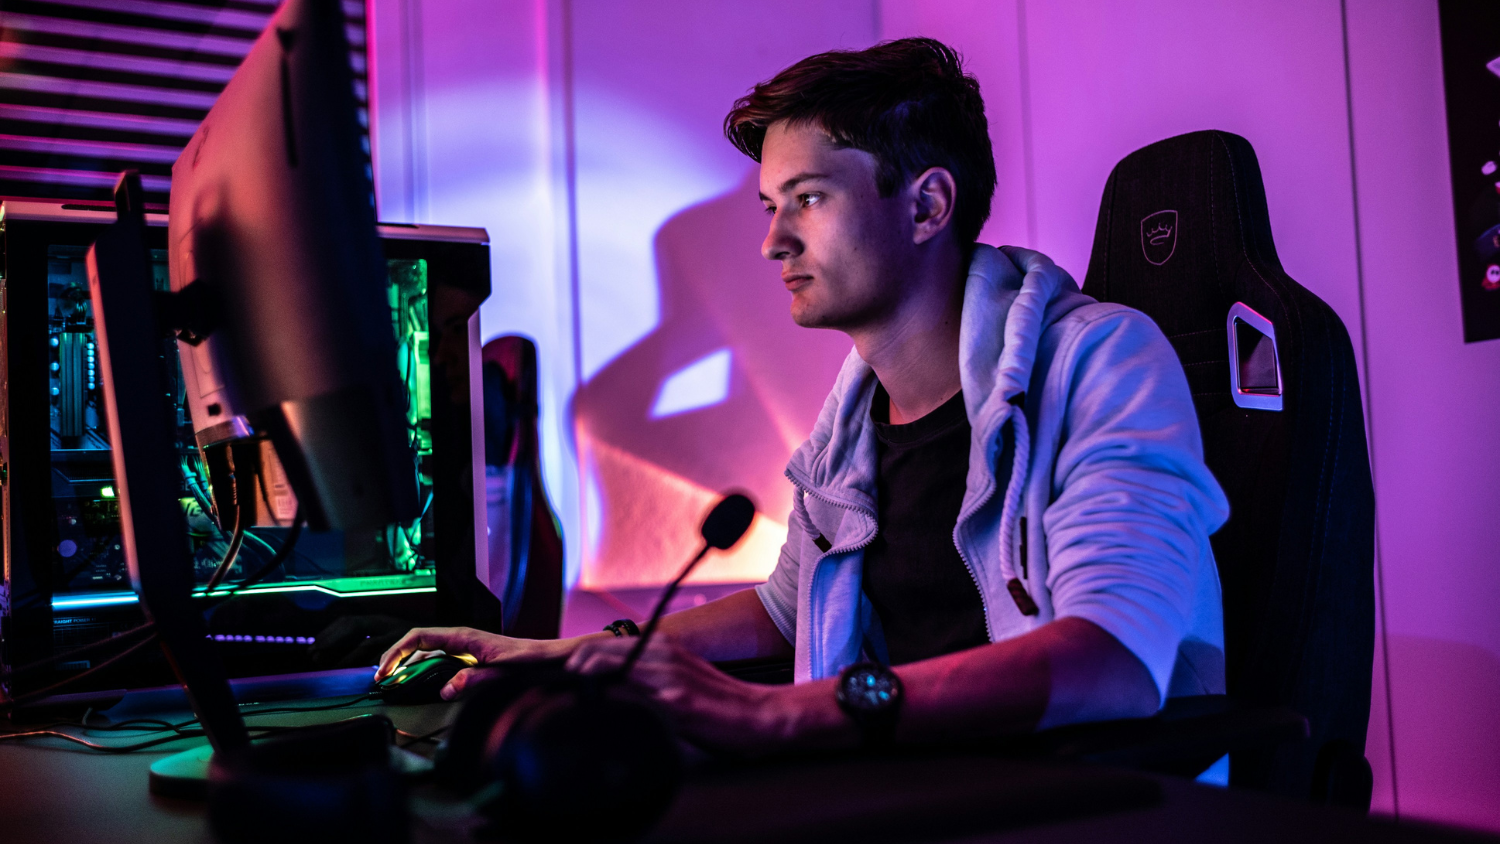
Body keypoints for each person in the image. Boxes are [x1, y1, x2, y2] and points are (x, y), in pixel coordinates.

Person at [376, 37, 1229, 756]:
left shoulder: (1100, 362)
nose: (773, 241)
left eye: (809, 199)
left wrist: (772, 712)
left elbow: (1109, 661)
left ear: (928, 204)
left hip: (1076, 802)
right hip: (917, 787)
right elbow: (787, 612)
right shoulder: (853, 416)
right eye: (769, 205)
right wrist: (568, 655)